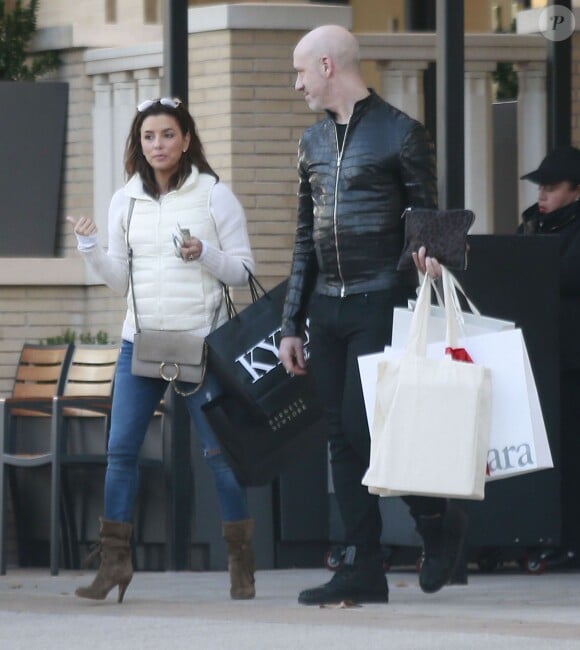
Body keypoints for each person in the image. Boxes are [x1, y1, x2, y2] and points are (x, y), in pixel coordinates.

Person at [279, 24, 467, 606]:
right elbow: (305, 236)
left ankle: (434, 522)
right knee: (340, 436)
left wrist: (428, 257)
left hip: (380, 297)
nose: (297, 84)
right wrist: (290, 321)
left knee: (370, 429)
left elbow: (426, 212)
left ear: (329, 66)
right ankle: (362, 564)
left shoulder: (399, 133)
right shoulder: (311, 142)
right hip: (327, 304)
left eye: (300, 71)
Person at [67, 96, 256, 602]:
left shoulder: (215, 195)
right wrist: (90, 250)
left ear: (187, 139)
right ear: (139, 142)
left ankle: (241, 561)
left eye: (168, 135)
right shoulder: (124, 199)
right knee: (120, 452)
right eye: (149, 137)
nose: (158, 145)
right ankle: (114, 564)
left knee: (219, 454)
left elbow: (244, 271)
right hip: (140, 343)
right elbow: (119, 280)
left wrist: (206, 254)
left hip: (201, 344)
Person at [518, 145, 580, 571]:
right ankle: (542, 535)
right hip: (537, 356)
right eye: (540, 187)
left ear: (576, 191)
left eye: (552, 188)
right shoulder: (531, 223)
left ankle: (571, 541)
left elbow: (564, 275)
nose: (543, 195)